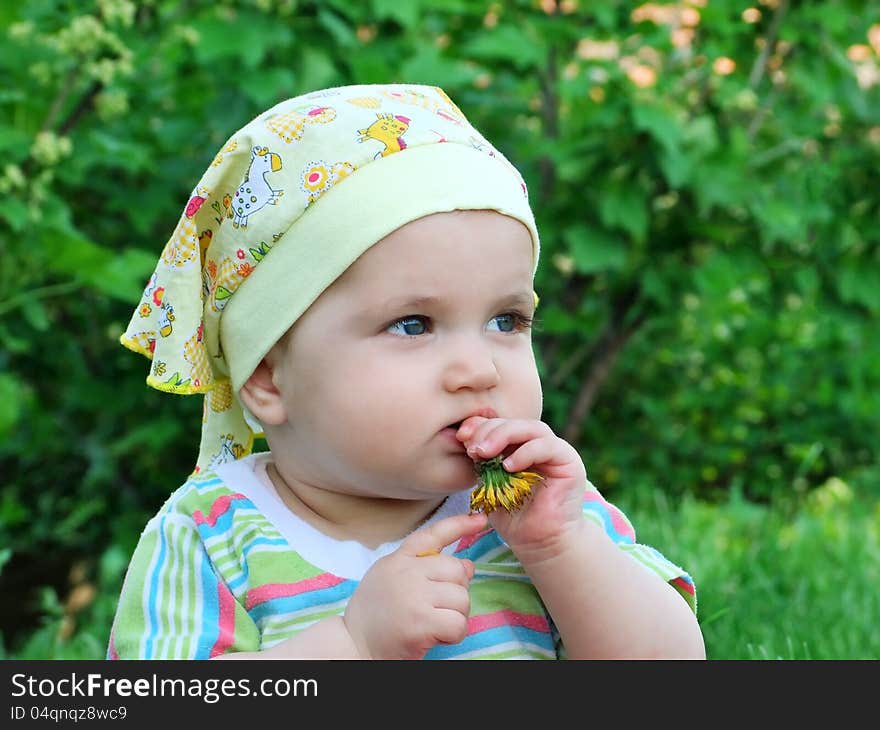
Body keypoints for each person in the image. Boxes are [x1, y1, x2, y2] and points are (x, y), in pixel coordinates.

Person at [108, 83, 704, 660]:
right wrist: (351, 645)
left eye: (507, 320)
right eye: (413, 325)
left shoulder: (541, 512)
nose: (479, 369)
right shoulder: (211, 536)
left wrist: (559, 548)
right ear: (269, 378)